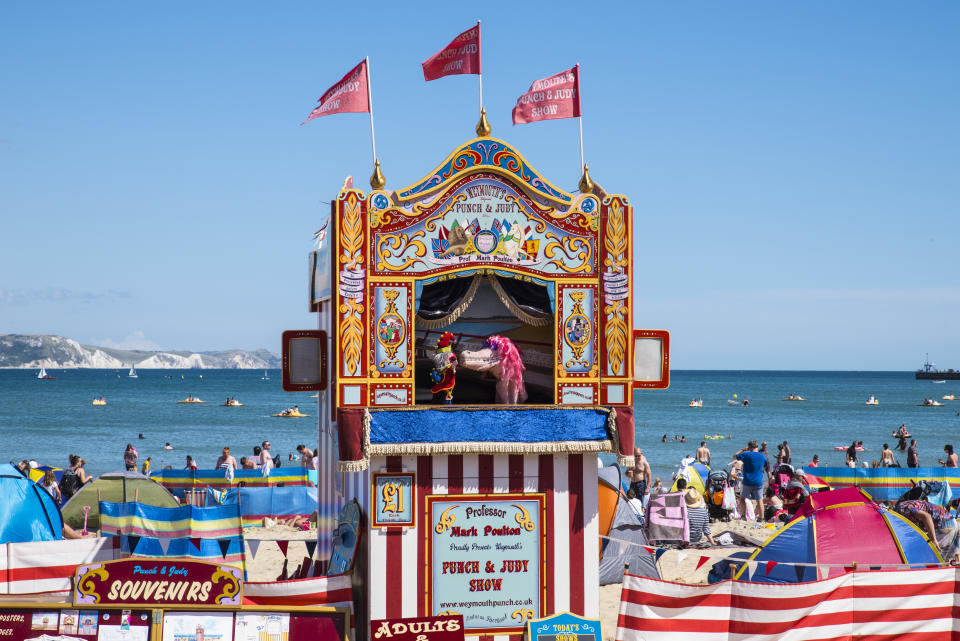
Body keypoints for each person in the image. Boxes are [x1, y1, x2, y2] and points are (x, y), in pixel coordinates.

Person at [733, 440, 767, 522]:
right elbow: (765, 467)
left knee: (742, 499)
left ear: (749, 447)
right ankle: (761, 518)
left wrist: (743, 449)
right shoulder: (763, 456)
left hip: (748, 481)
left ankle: (744, 516)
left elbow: (735, 456)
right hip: (758, 481)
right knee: (759, 501)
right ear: (757, 447)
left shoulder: (746, 454)